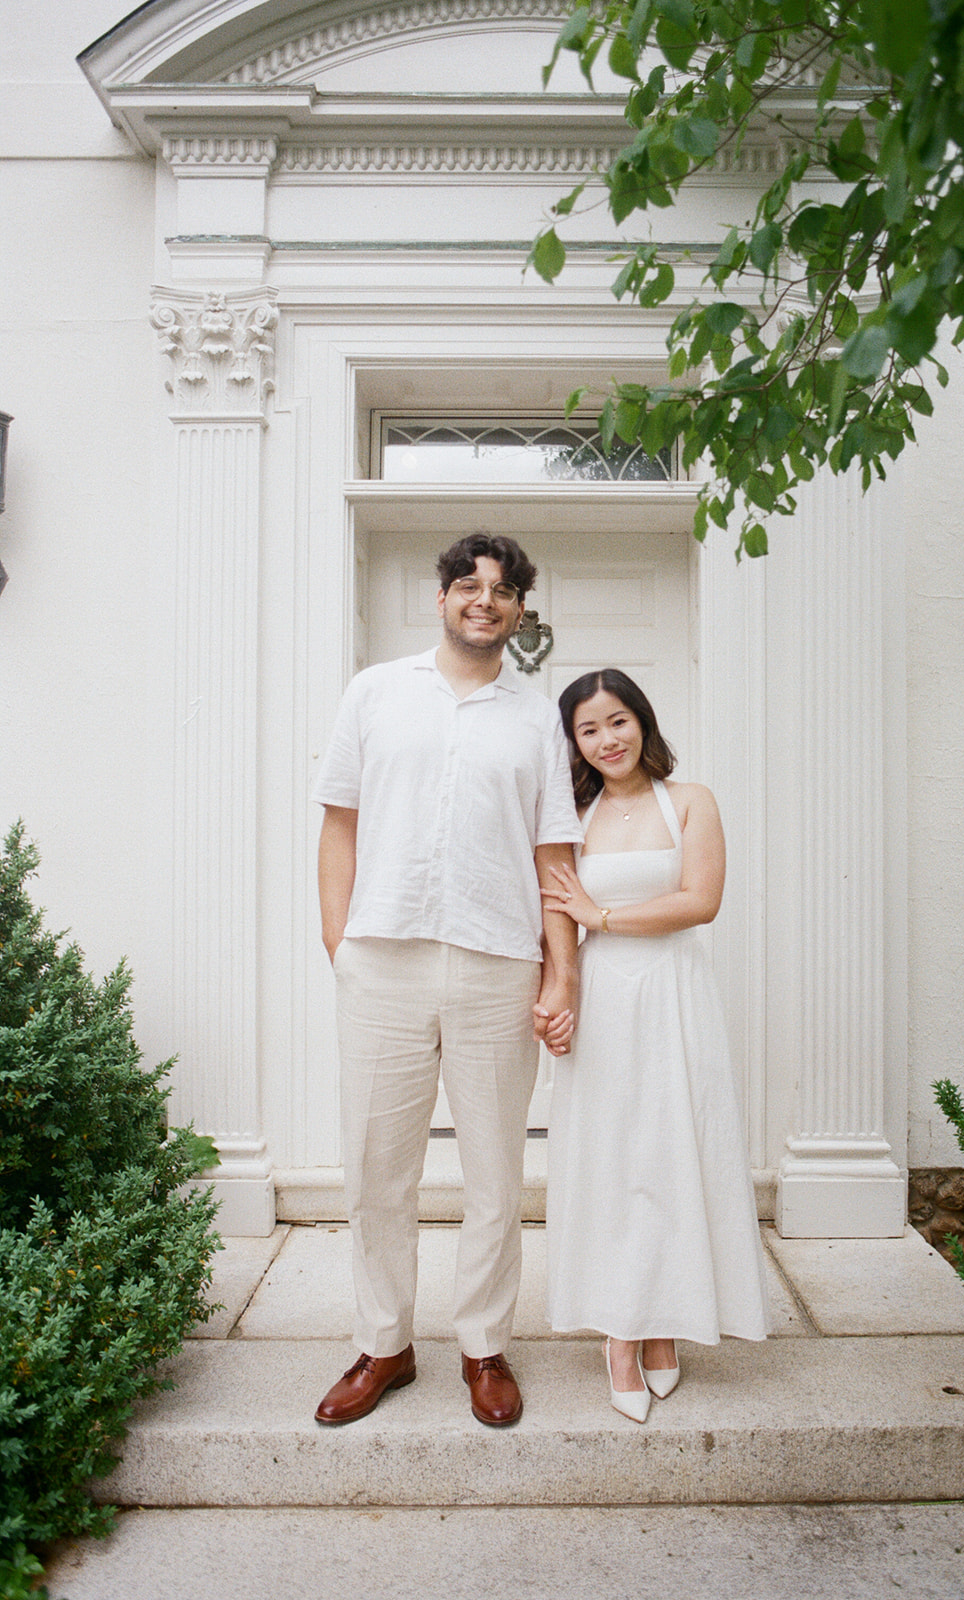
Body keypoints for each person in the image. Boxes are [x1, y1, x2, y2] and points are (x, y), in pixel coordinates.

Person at [312, 534, 580, 1429]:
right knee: (374, 1170)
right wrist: (339, 943)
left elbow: (553, 854)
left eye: (501, 590)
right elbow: (339, 823)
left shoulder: (536, 718)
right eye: (468, 585)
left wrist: (561, 972)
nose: (483, 600)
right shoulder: (374, 692)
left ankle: (483, 1347)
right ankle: (383, 1344)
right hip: (381, 959)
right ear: (441, 598)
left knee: (495, 1173)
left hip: (498, 963)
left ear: (518, 611)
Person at [542, 669, 770, 1422]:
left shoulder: (691, 801)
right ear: (573, 742)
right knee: (614, 1160)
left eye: (617, 721)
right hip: (605, 999)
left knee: (674, 1153)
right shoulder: (570, 815)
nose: (607, 739)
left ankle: (666, 1320)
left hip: (675, 994)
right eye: (588, 729)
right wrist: (560, 991)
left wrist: (602, 915)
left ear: (641, 721)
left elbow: (699, 902)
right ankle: (620, 1334)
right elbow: (556, 915)